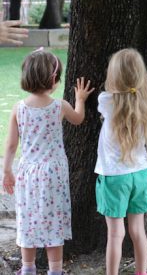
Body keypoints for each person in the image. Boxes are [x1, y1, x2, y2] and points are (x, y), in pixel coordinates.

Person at [2, 49, 94, 275]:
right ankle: (55, 271)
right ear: (53, 79)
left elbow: (12, 145)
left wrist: (7, 171)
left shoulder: (19, 108)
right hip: (53, 174)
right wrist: (80, 99)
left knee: (27, 219)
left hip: (27, 172)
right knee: (54, 222)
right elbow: (79, 118)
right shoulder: (59, 106)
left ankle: (28, 268)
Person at [94, 48, 147, 275]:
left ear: (113, 76)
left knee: (115, 234)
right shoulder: (143, 102)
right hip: (141, 175)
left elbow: (109, 99)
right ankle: (142, 272)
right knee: (138, 230)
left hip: (114, 176)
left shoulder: (105, 100)